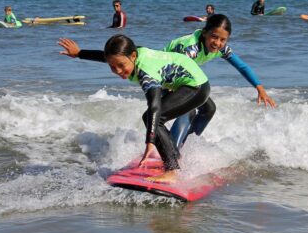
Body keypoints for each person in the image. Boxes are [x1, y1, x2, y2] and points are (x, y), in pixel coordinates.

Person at [58, 14, 276, 149]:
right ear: (204, 33)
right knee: (189, 110)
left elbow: (241, 65)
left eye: (222, 39)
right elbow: (116, 56)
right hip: (161, 80)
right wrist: (80, 53)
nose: (217, 43)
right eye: (214, 37)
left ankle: (186, 144)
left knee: (208, 109)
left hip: (182, 82)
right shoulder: (189, 48)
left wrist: (259, 87)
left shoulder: (220, 47)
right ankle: (174, 149)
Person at [58, 34, 211, 183]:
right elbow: (107, 57)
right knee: (153, 119)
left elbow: (154, 107)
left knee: (153, 118)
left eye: (121, 66)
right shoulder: (130, 54)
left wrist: (150, 143)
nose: (117, 70)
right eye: (112, 66)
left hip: (195, 87)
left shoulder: (146, 73)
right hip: (187, 81)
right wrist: (79, 53)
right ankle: (174, 156)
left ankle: (171, 170)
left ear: (133, 56)